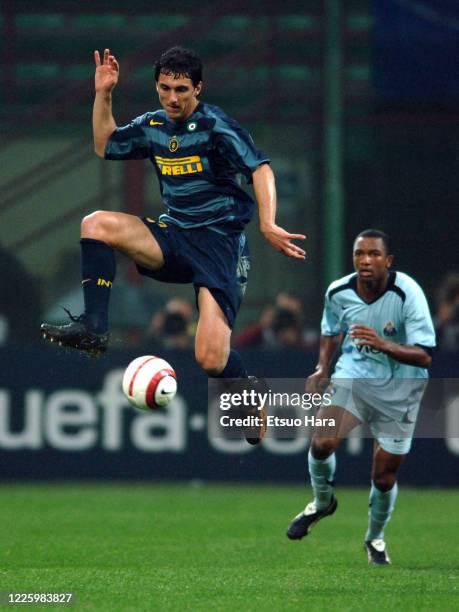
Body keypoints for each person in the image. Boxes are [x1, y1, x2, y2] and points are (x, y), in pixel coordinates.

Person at [40, 46, 305, 443]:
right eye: (165, 88)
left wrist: (267, 222)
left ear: (198, 87)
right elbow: (104, 144)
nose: (173, 98)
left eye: (182, 89)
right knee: (95, 225)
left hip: (220, 245)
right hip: (175, 236)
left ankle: (248, 389)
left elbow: (260, 168)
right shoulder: (153, 125)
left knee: (210, 359)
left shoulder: (216, 126)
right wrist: (104, 94)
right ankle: (93, 330)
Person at [286, 229, 435, 564]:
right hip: (356, 376)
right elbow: (329, 330)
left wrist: (382, 344)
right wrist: (323, 367)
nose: (365, 260)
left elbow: (425, 355)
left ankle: (375, 539)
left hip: (402, 389)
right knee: (321, 443)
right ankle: (323, 502)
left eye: (374, 254)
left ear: (388, 260)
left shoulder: (407, 293)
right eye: (359, 254)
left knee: (383, 477)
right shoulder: (339, 291)